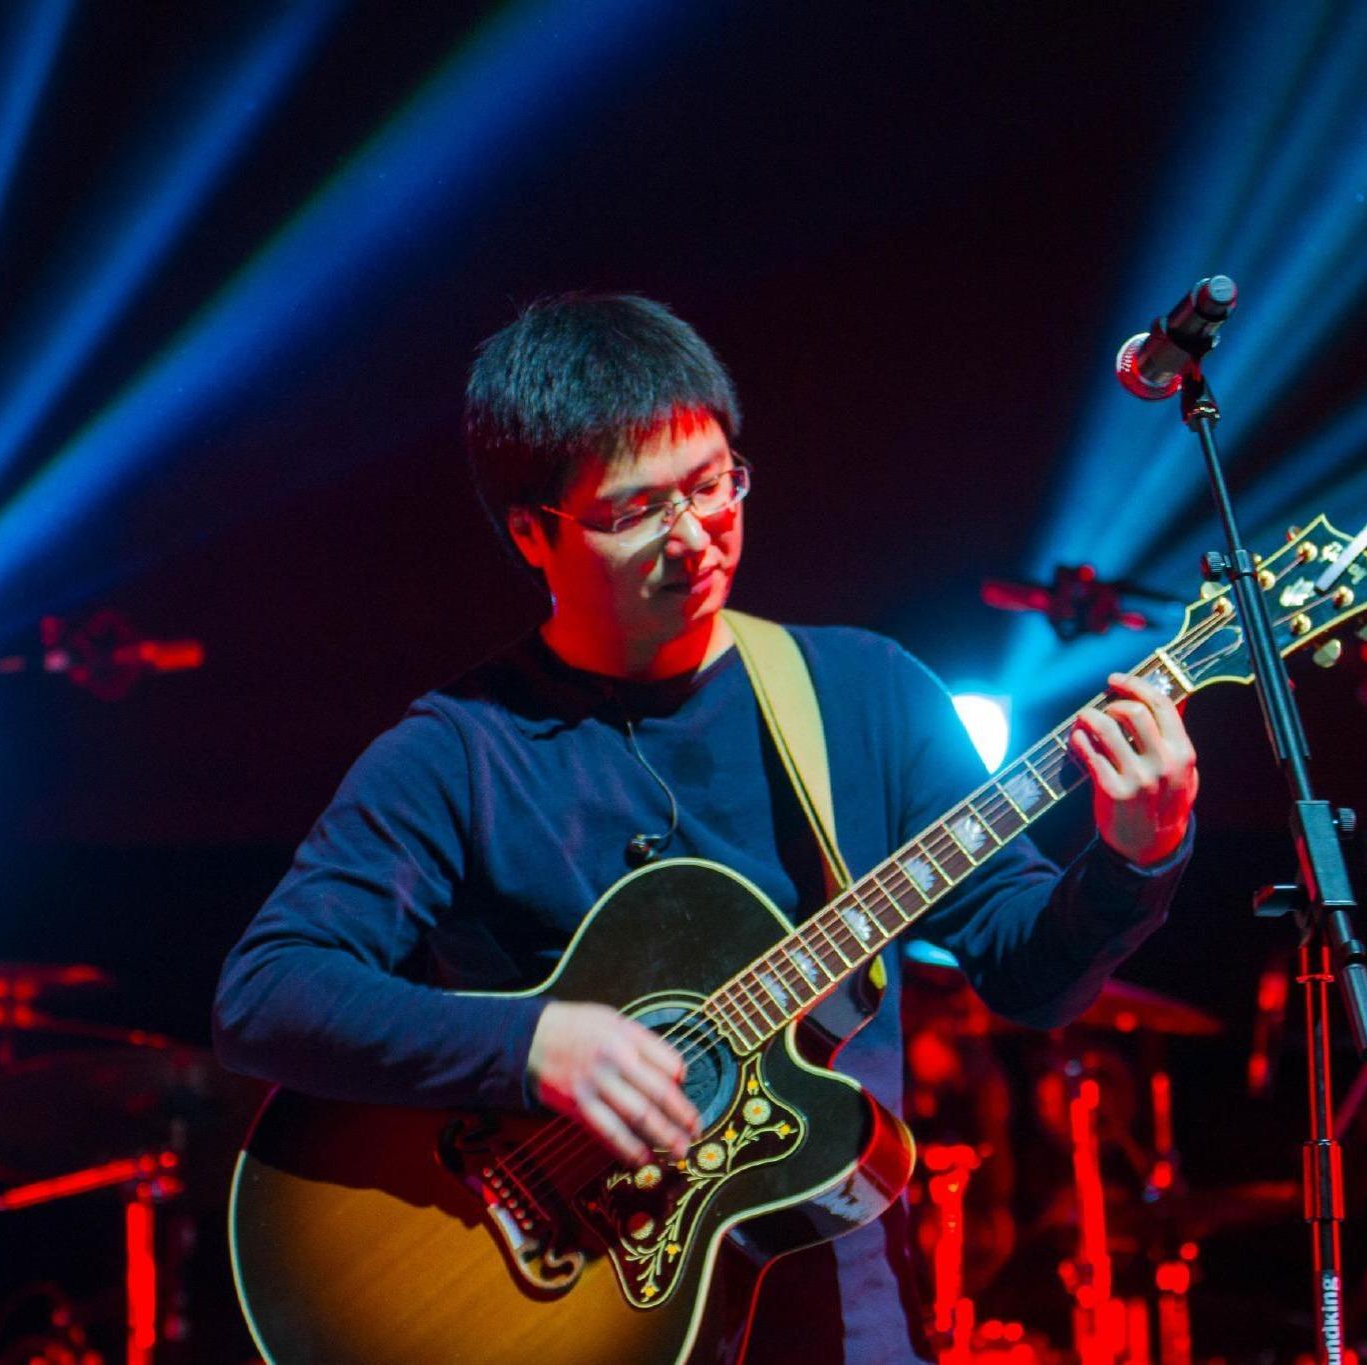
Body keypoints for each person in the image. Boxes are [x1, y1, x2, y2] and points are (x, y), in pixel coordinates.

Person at [211, 292, 1199, 1364]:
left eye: (714, 482)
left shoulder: (864, 695)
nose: (694, 537)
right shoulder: (459, 750)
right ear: (534, 533)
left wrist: (1134, 853)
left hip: (849, 1333)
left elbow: (1031, 977)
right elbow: (267, 992)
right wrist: (531, 1047)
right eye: (636, 511)